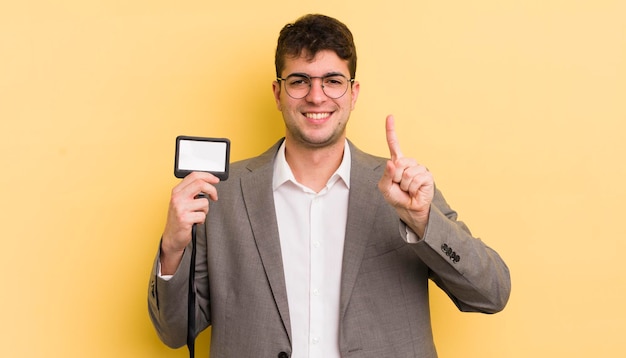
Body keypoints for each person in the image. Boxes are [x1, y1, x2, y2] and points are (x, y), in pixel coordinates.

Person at [148, 13, 511, 358]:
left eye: (333, 81)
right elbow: (175, 332)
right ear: (277, 93)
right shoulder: (221, 195)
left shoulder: (403, 188)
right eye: (300, 81)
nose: (316, 96)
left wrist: (423, 221)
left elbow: (490, 294)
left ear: (353, 94)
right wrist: (173, 247)